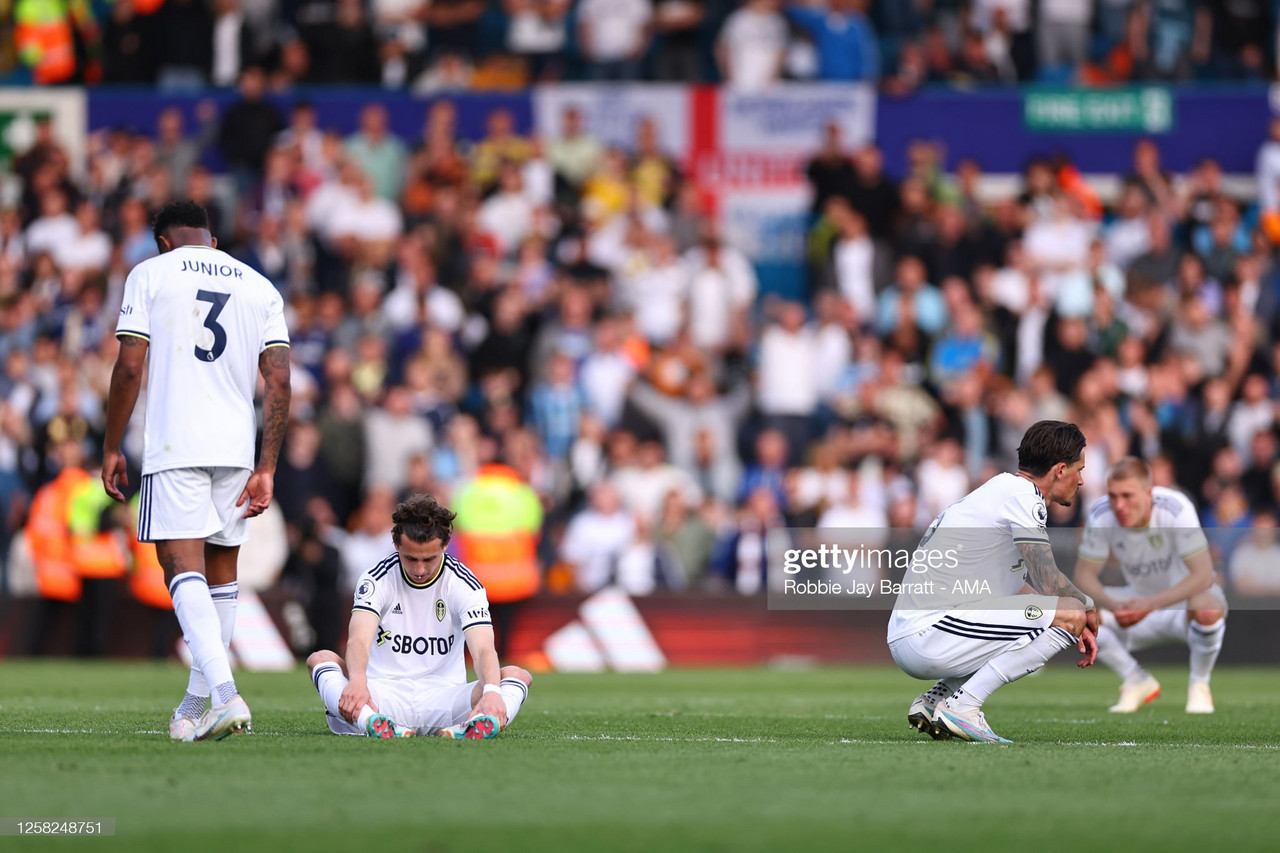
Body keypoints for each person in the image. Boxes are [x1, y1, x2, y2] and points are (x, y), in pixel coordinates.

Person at [102, 200, 291, 742]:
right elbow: (278, 381)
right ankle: (193, 705)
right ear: (211, 238)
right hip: (236, 448)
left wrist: (112, 445)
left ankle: (227, 696)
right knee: (221, 575)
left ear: (163, 241)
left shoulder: (150, 273)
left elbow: (129, 366)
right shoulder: (259, 286)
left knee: (180, 567)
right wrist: (267, 465)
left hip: (174, 442)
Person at [887, 420, 1100, 743]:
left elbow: (1021, 591)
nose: (1082, 479)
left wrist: (1067, 615)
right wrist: (1085, 609)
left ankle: (936, 700)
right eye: (1079, 469)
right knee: (1071, 611)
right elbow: (1049, 579)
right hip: (928, 634)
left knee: (1059, 614)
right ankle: (964, 707)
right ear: (1059, 469)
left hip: (914, 631)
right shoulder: (1021, 496)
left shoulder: (999, 492)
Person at [305, 494, 533, 739]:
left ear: (445, 546)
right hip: (381, 696)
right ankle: (373, 722)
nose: (420, 569)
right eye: (411, 558)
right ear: (396, 546)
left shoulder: (464, 583)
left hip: (446, 701)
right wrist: (358, 680)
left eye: (429, 559)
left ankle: (472, 725)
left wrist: (490, 691)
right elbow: (359, 639)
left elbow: (483, 649)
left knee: (516, 676)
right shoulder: (376, 579)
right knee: (320, 659)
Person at [1073, 457, 1226, 715]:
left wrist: (1149, 606)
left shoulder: (1175, 508)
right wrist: (1115, 605)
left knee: (1208, 605)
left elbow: (1203, 576)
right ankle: (1136, 680)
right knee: (1077, 613)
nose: (1119, 505)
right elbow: (1083, 575)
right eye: (1113, 496)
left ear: (1149, 493)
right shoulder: (1101, 513)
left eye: (1128, 496)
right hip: (1137, 601)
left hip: (1180, 603)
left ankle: (1199, 684)